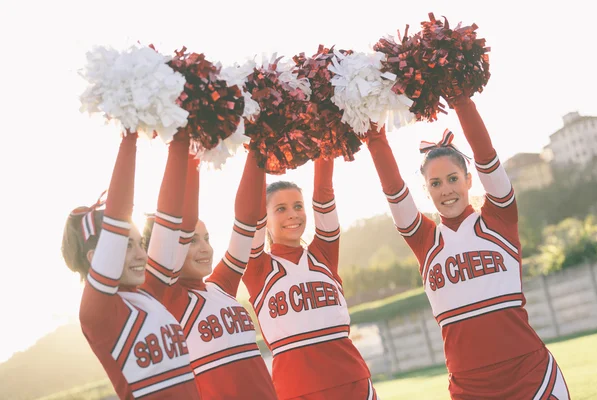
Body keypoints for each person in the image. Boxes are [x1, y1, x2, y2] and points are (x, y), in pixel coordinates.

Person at [365, 95, 570, 399]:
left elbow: (487, 157)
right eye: (435, 183)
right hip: (470, 389)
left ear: (468, 179)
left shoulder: (499, 220)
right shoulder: (425, 240)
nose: (446, 189)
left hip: (532, 378)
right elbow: (394, 190)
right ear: (426, 190)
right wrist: (374, 136)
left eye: (452, 178)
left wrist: (461, 102)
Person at [61, 132, 201, 399]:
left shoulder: (149, 293)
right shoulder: (97, 313)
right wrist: (129, 135)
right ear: (95, 259)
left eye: (140, 244)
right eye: (126, 245)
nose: (142, 255)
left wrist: (185, 142)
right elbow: (117, 219)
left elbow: (180, 219)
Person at [143, 149, 278, 400]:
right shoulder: (167, 299)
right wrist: (192, 153)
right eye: (192, 241)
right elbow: (182, 222)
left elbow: (247, 220)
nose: (205, 248)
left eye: (206, 239)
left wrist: (258, 147)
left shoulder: (220, 286)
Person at [242, 158, 377, 400]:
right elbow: (250, 210)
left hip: (353, 384)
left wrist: (326, 139)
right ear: (264, 220)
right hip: (297, 390)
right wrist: (259, 150)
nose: (293, 215)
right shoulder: (257, 267)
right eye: (280, 209)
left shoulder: (323, 254)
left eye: (298, 206)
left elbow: (324, 194)